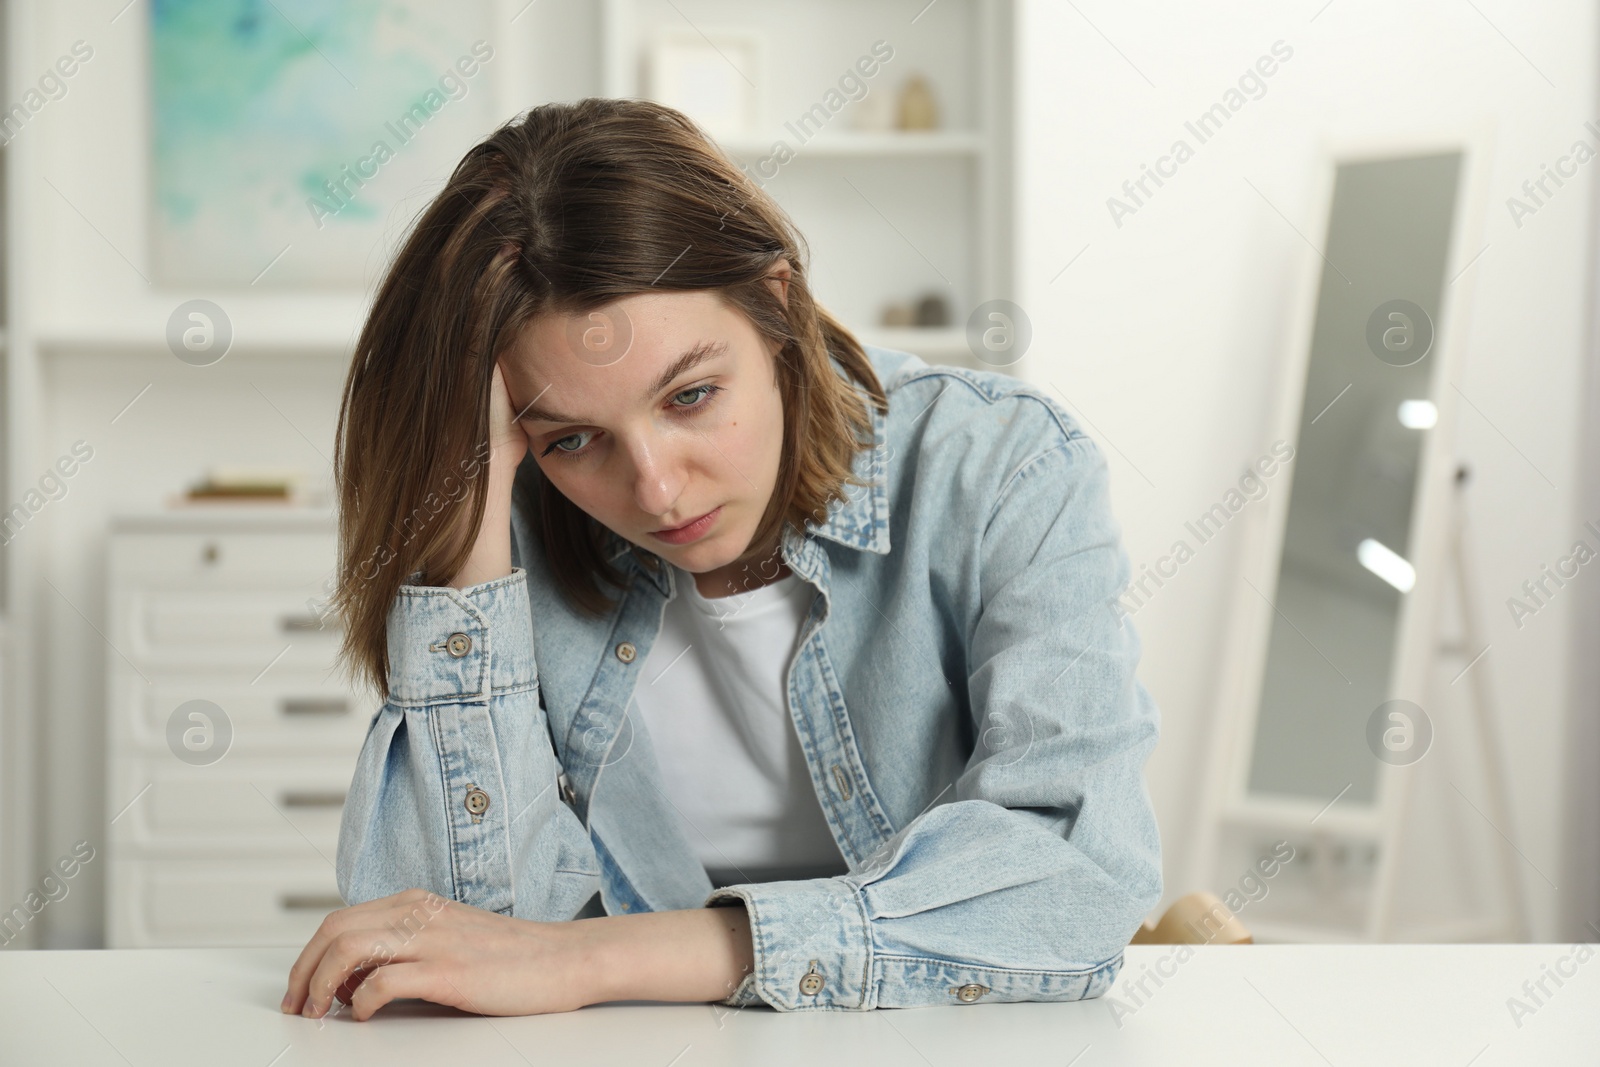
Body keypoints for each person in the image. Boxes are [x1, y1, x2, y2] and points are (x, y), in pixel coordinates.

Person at [279, 97, 1162, 1022]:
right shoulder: (511, 523)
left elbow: (1078, 883)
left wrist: (596, 958)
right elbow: (444, 943)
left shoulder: (1001, 469)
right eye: (574, 438)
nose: (657, 489)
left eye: (692, 395)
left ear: (776, 304)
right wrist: (462, 510)